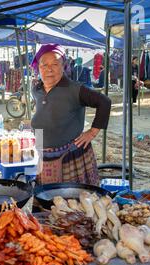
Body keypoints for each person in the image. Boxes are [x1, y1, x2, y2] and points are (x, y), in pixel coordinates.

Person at [31, 44, 111, 186]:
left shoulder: (74, 89)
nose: (49, 69)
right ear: (38, 67)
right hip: (43, 156)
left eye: (55, 64)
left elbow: (104, 102)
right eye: (44, 65)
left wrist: (92, 132)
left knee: (73, 202)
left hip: (70, 157)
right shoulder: (36, 89)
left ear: (64, 66)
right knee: (46, 202)